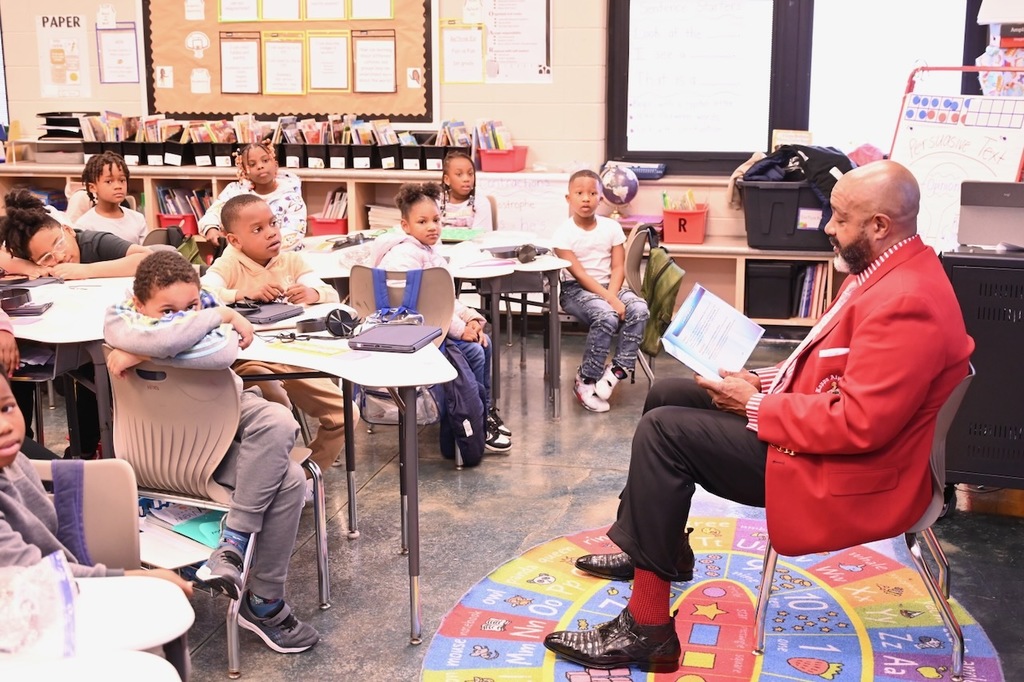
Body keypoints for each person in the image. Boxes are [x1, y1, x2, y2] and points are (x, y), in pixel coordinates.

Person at [544, 160, 975, 673]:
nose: (828, 228)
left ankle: (649, 629)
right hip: (828, 440)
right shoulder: (889, 271)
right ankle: (658, 551)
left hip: (846, 471)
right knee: (667, 394)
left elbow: (859, 422)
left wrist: (752, 404)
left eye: (840, 218)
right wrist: (763, 382)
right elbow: (837, 372)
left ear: (880, 226)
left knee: (664, 434)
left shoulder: (907, 300)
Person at [104, 250, 319, 653]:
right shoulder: (118, 315)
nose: (180, 316)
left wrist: (144, 348)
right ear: (138, 305)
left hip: (217, 421)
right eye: (166, 310)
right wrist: (220, 317)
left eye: (190, 307)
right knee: (287, 479)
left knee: (280, 425)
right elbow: (202, 344)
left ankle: (236, 553)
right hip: (177, 450)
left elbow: (221, 353)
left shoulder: (136, 327)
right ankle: (260, 597)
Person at [200, 194, 347, 472]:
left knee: (345, 415)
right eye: (257, 230)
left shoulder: (291, 260)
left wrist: (312, 292)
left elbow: (331, 294)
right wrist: (241, 294)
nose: (271, 233)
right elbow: (201, 293)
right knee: (278, 408)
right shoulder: (230, 262)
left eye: (273, 224)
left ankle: (302, 476)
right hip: (252, 360)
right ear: (234, 240)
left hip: (297, 357)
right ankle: (269, 477)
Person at [0, 189, 151, 459]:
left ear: (68, 230)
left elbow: (146, 258)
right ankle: (24, 452)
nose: (58, 257)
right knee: (15, 363)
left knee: (92, 372)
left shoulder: (93, 242)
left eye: (58, 244)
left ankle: (84, 451)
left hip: (100, 337)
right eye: (45, 257)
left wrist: (86, 270)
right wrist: (29, 267)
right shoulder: (34, 263)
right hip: (52, 332)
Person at [370, 182, 512, 452]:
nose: (432, 226)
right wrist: (459, 331)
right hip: (410, 332)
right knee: (474, 351)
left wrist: (470, 318)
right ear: (405, 225)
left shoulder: (429, 251)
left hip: (433, 326)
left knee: (484, 342)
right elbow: (420, 308)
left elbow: (445, 299)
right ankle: (469, 424)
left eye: (436, 219)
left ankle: (483, 415)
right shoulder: (403, 256)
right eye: (422, 221)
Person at [553, 169, 650, 413]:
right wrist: (611, 301)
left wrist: (613, 296)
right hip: (576, 290)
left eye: (592, 193)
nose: (586, 198)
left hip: (611, 286)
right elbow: (581, 275)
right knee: (606, 316)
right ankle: (586, 380)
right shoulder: (562, 233)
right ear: (568, 199)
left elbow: (618, 267)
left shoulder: (612, 227)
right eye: (579, 193)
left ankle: (615, 372)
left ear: (601, 198)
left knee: (639, 308)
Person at [199, 141, 307, 253]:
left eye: (265, 160)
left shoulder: (291, 197)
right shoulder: (234, 192)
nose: (260, 166)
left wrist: (256, 247)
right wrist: (211, 228)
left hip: (281, 259)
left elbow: (293, 234)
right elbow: (213, 213)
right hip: (241, 258)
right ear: (244, 171)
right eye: (252, 164)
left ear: (275, 165)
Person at [73, 151, 148, 244]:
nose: (118, 186)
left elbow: (147, 255)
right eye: (109, 181)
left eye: (122, 180)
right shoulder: (84, 226)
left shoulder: (138, 219)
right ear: (92, 187)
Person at [438, 150, 492, 230]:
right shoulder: (436, 202)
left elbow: (481, 236)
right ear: (447, 180)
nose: (466, 179)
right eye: (459, 174)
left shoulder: (480, 203)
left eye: (470, 174)